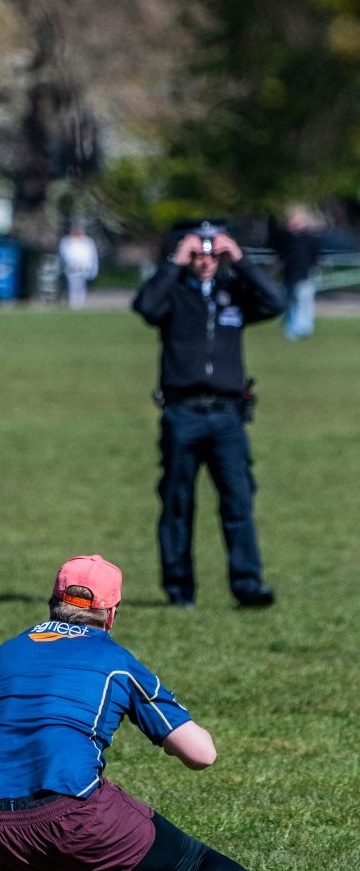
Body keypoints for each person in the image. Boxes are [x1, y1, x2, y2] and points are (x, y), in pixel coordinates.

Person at [0, 554, 357, 871]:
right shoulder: (116, 662)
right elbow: (202, 755)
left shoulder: (3, 656)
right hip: (76, 814)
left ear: (51, 602)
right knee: (199, 865)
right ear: (111, 613)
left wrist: (13, 772)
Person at [132, 221, 283, 609]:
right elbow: (146, 307)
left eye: (213, 255)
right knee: (178, 504)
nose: (205, 263)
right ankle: (180, 590)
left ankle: (248, 586)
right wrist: (173, 262)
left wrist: (242, 260)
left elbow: (276, 302)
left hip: (228, 417)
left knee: (238, 502)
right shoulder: (173, 295)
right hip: (182, 414)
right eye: (198, 255)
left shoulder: (233, 294)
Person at [272, 205, 321, 341]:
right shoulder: (286, 238)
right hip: (289, 275)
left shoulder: (309, 238)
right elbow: (280, 255)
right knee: (290, 303)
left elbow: (315, 257)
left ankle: (304, 328)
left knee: (303, 301)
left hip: (304, 275)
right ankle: (291, 328)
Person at [59, 223, 99, 310]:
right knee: (73, 284)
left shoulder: (88, 241)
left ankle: (80, 302)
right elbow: (64, 254)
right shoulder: (67, 241)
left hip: (84, 266)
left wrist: (93, 266)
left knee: (81, 284)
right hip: (72, 265)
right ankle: (73, 302)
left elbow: (92, 255)